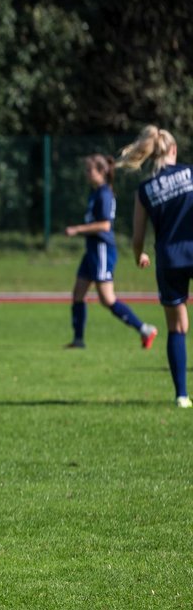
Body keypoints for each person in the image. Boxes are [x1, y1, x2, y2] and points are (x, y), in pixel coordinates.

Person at [121, 126, 193, 407]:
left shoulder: (145, 190)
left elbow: (137, 237)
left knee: (177, 326)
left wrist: (139, 255)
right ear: (173, 150)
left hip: (170, 260)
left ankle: (182, 396)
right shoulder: (190, 173)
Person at [64, 153, 157, 349]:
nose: (86, 174)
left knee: (107, 299)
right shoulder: (95, 192)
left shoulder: (105, 194)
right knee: (78, 293)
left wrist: (77, 229)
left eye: (90, 170)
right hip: (91, 249)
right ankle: (78, 340)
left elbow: (105, 225)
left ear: (102, 172)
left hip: (102, 250)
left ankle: (144, 329)